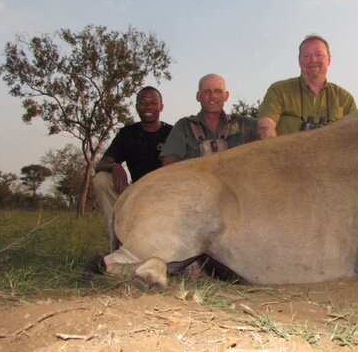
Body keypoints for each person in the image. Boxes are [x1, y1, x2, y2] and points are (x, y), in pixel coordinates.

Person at [93, 86, 172, 252]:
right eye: (143, 103)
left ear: (161, 107)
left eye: (153, 103)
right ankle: (117, 241)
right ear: (137, 107)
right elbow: (100, 165)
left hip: (166, 197)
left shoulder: (172, 133)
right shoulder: (127, 134)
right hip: (135, 194)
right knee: (101, 179)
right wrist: (114, 166)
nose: (148, 107)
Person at [258, 35, 357, 139]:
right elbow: (265, 126)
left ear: (329, 59)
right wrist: (276, 154)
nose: (313, 60)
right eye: (306, 56)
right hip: (288, 155)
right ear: (299, 61)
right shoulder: (279, 90)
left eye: (319, 55)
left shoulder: (345, 99)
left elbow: (356, 136)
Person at [160, 73, 258, 165]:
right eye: (207, 91)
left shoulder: (243, 123)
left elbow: (269, 132)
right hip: (196, 182)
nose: (212, 96)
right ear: (198, 96)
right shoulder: (184, 126)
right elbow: (169, 163)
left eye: (218, 91)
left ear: (226, 96)